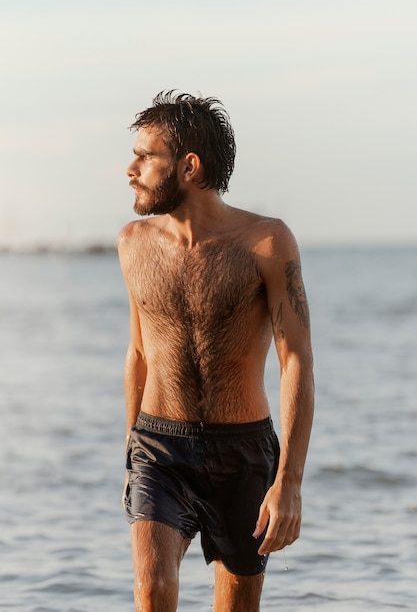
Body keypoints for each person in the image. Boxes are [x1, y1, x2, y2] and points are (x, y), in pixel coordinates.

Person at [118, 90, 314, 612]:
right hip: (158, 447)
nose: (130, 169)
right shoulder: (133, 241)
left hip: (243, 453)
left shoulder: (267, 242)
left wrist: (288, 483)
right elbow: (139, 353)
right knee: (153, 591)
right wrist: (130, 456)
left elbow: (295, 359)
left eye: (145, 156)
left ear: (189, 165)